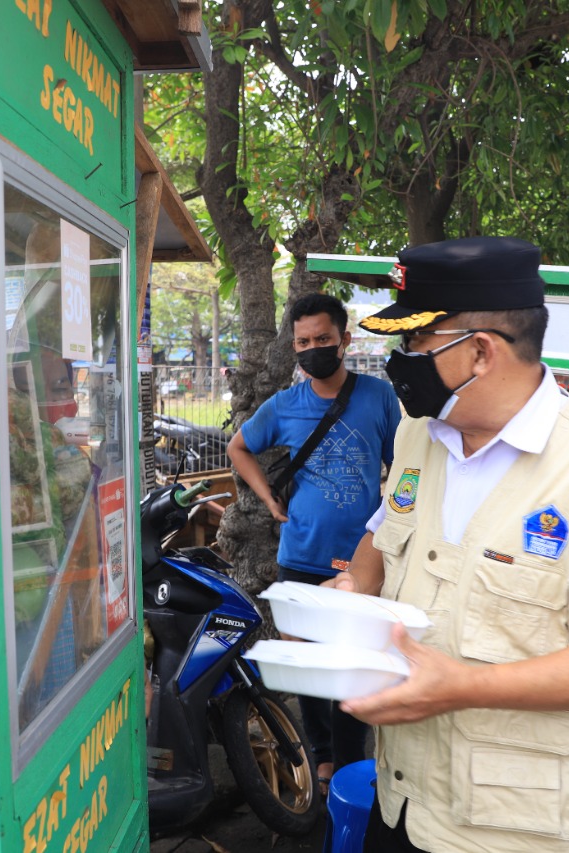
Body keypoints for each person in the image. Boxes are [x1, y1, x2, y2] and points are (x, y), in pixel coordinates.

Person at [324, 236, 569, 853]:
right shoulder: (421, 435)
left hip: (511, 828)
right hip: (403, 803)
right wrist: (353, 590)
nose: (402, 358)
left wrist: (460, 686)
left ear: (481, 352)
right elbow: (382, 536)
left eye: (415, 342)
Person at [227, 292, 402, 793]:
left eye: (322, 339)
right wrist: (268, 500)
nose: (312, 349)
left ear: (344, 340)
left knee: (351, 669)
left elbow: (404, 465)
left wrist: (391, 519)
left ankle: (349, 764)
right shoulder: (284, 405)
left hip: (361, 563)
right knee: (309, 670)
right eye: (303, 341)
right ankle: (321, 758)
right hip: (300, 556)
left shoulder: (378, 396)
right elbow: (240, 447)